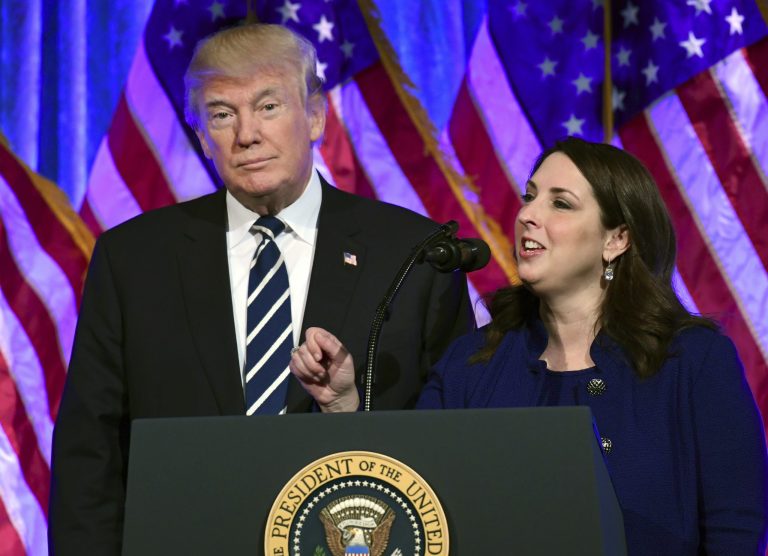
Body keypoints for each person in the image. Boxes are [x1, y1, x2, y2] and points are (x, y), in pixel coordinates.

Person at [48, 24, 473, 554]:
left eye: (268, 106)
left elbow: (455, 438)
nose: (246, 134)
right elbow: (91, 450)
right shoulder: (133, 258)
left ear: (315, 115)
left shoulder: (412, 254)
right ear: (202, 135)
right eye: (222, 115)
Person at [290, 137, 768, 554]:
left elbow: (735, 529)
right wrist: (343, 407)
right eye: (530, 197)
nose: (527, 216)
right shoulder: (471, 365)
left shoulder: (691, 360)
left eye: (560, 204)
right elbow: (415, 499)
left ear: (617, 239)